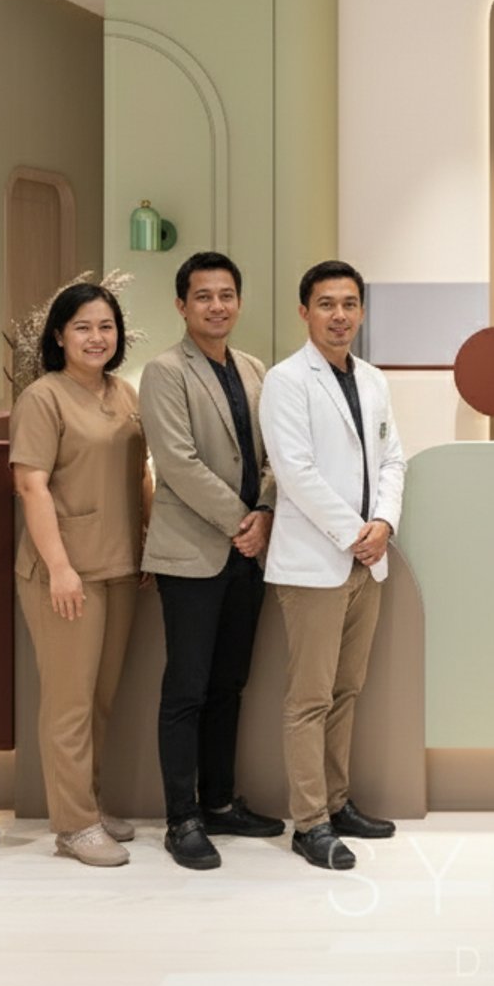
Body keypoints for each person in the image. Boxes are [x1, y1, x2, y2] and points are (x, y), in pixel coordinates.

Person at [137, 251, 285, 871]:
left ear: (239, 302)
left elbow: (277, 451)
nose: (216, 306)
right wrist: (242, 523)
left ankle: (220, 802)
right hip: (194, 553)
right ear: (182, 304)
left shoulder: (254, 368)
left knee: (231, 684)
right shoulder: (165, 372)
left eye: (226, 294)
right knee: (187, 689)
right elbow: (177, 462)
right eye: (203, 296)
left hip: (249, 551)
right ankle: (183, 818)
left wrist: (268, 513)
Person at [259, 260, 406, 871]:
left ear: (362, 312)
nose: (339, 315)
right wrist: (354, 534)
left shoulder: (372, 380)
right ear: (304, 312)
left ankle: (339, 801)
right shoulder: (286, 381)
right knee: (310, 697)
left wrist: (385, 526)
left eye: (349, 304)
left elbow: (394, 457)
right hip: (316, 563)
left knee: (347, 690)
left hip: (365, 560)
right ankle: (310, 822)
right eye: (326, 304)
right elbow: (294, 472)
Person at [9, 283, 148, 867]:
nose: (97, 337)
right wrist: (61, 568)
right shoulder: (44, 398)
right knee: (67, 702)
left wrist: (148, 543)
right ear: (59, 335)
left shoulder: (124, 393)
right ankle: (72, 825)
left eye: (106, 327)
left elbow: (139, 473)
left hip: (120, 565)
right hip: (64, 572)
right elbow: (29, 485)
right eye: (84, 327)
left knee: (101, 699)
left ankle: (87, 802)